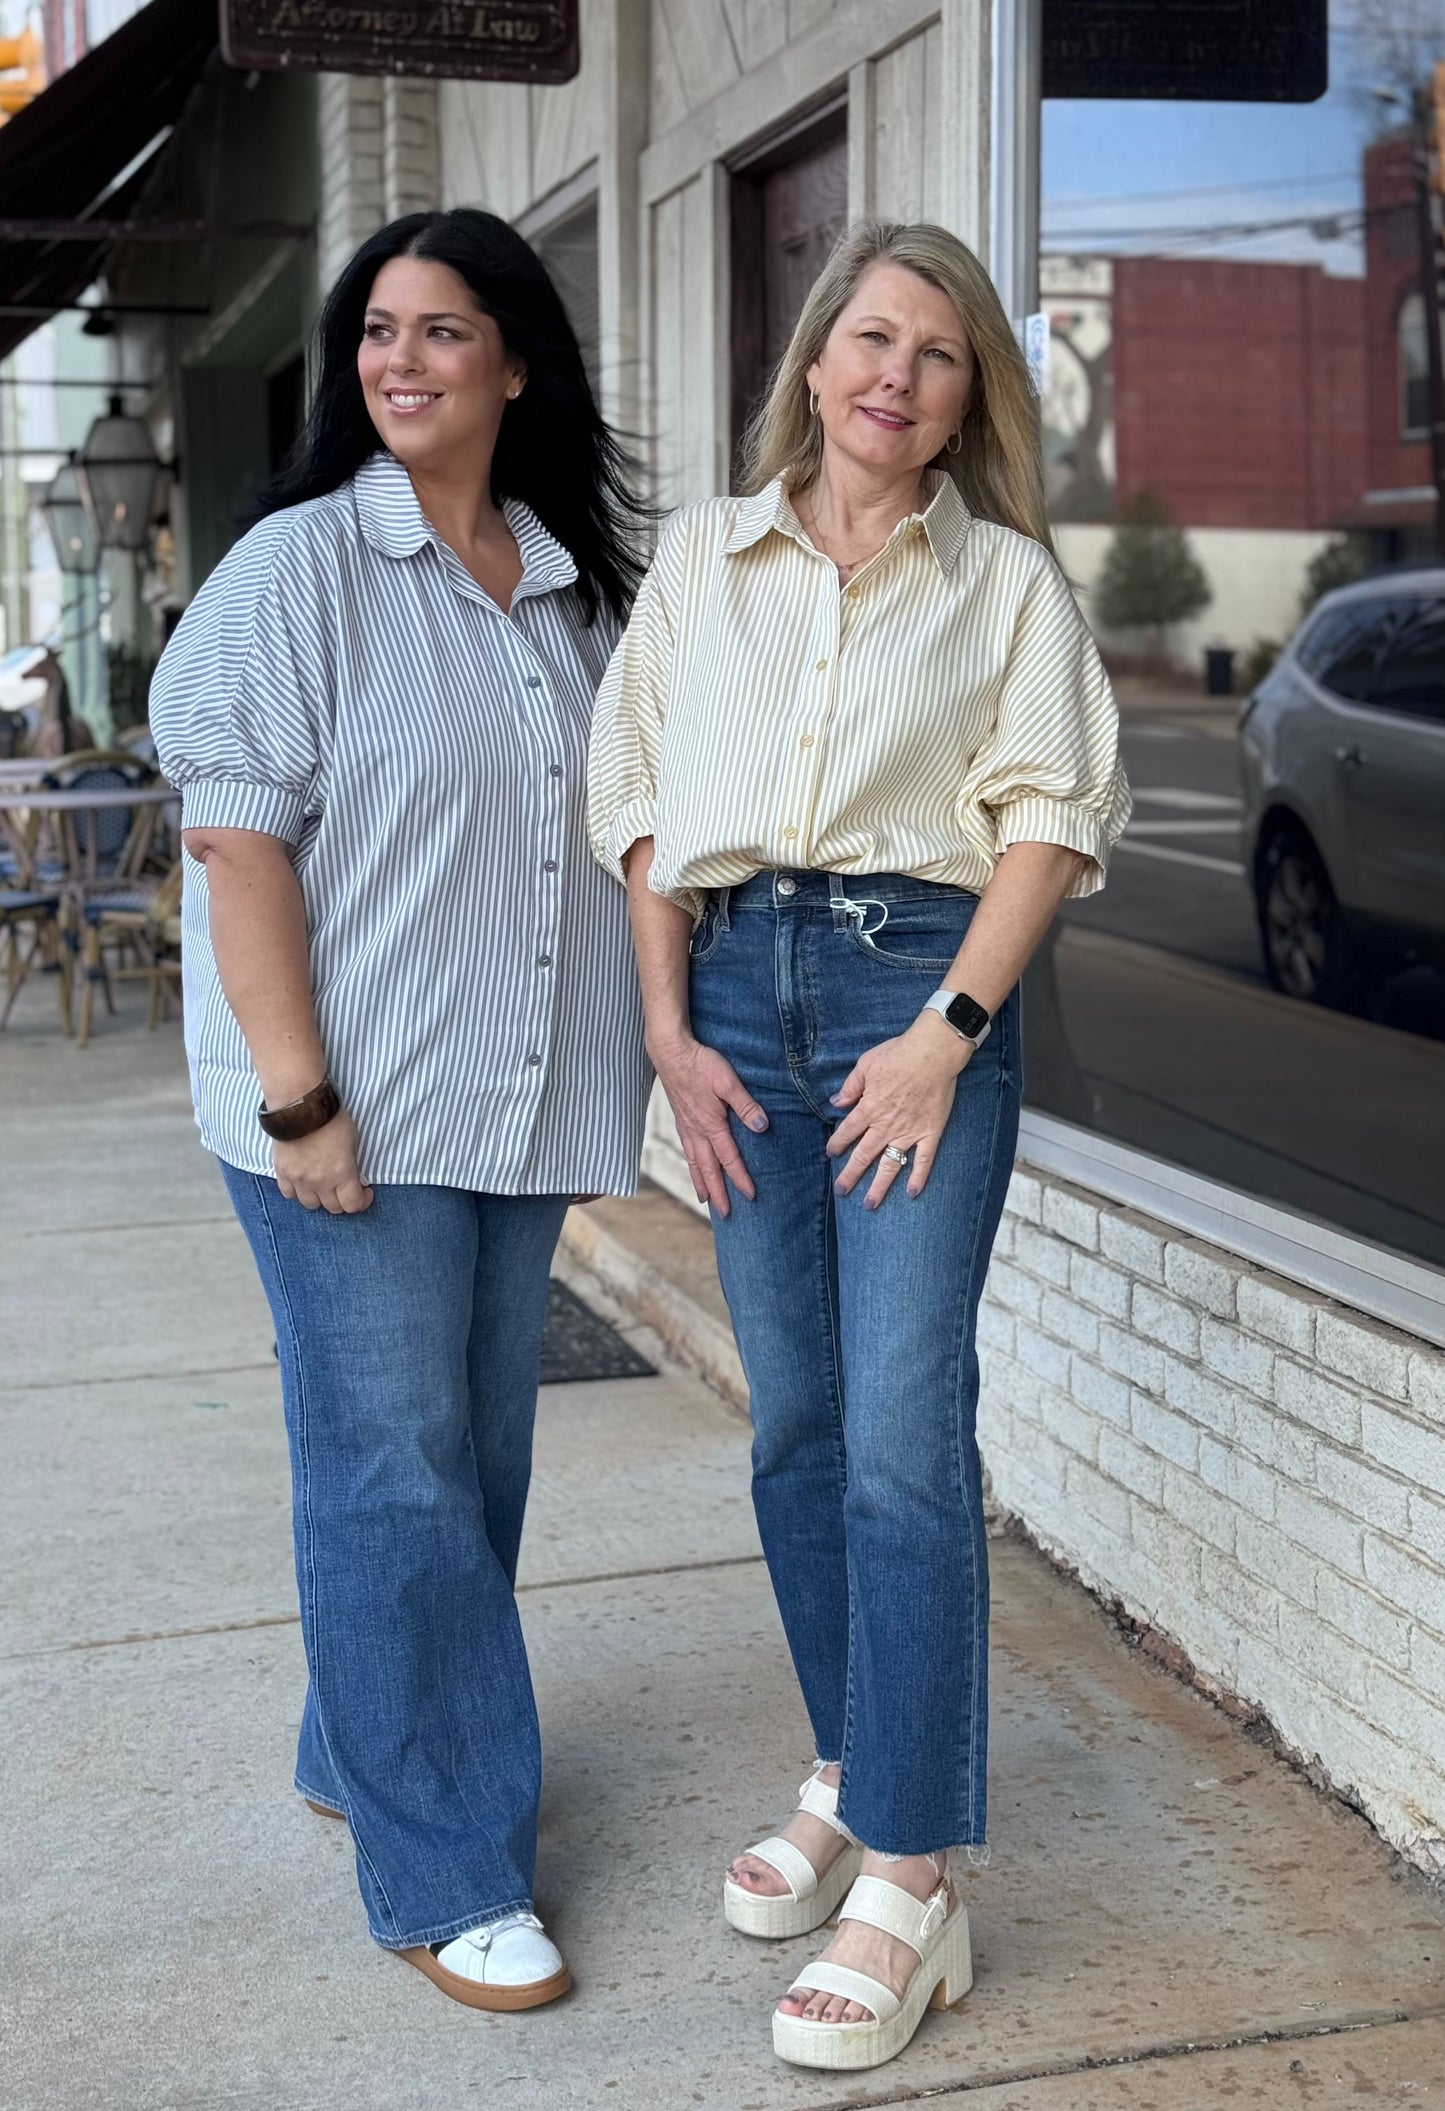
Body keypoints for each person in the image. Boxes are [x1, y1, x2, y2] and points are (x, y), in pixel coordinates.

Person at [588, 219, 1129, 2072]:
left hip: (920, 990)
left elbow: (1047, 825)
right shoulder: (701, 567)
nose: (895, 374)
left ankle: (910, 1871)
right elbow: (646, 809)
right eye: (869, 339)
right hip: (736, 1000)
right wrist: (667, 1027)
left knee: (901, 1433)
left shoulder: (1007, 592)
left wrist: (946, 1041)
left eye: (940, 353)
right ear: (814, 362)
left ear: (971, 396)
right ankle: (850, 1758)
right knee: (797, 1428)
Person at [149, 208, 651, 2010]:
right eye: (377, 330)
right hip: (339, 1105)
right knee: (396, 1468)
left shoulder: (575, 587)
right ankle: (442, 1868)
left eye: (444, 331)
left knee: (468, 1462)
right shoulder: (299, 571)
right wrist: (300, 1108)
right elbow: (234, 841)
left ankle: (355, 1742)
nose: (399, 360)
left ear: (517, 362)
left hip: (511, 1100)